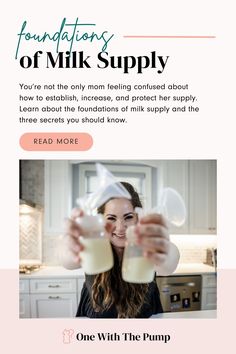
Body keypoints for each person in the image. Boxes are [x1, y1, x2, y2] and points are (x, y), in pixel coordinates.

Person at [62, 182, 180, 318]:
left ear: (138, 218)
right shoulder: (93, 246)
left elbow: (169, 264)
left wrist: (164, 250)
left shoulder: (147, 247)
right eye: (111, 218)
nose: (120, 227)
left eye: (128, 217)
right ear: (101, 220)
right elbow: (66, 260)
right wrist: (71, 245)